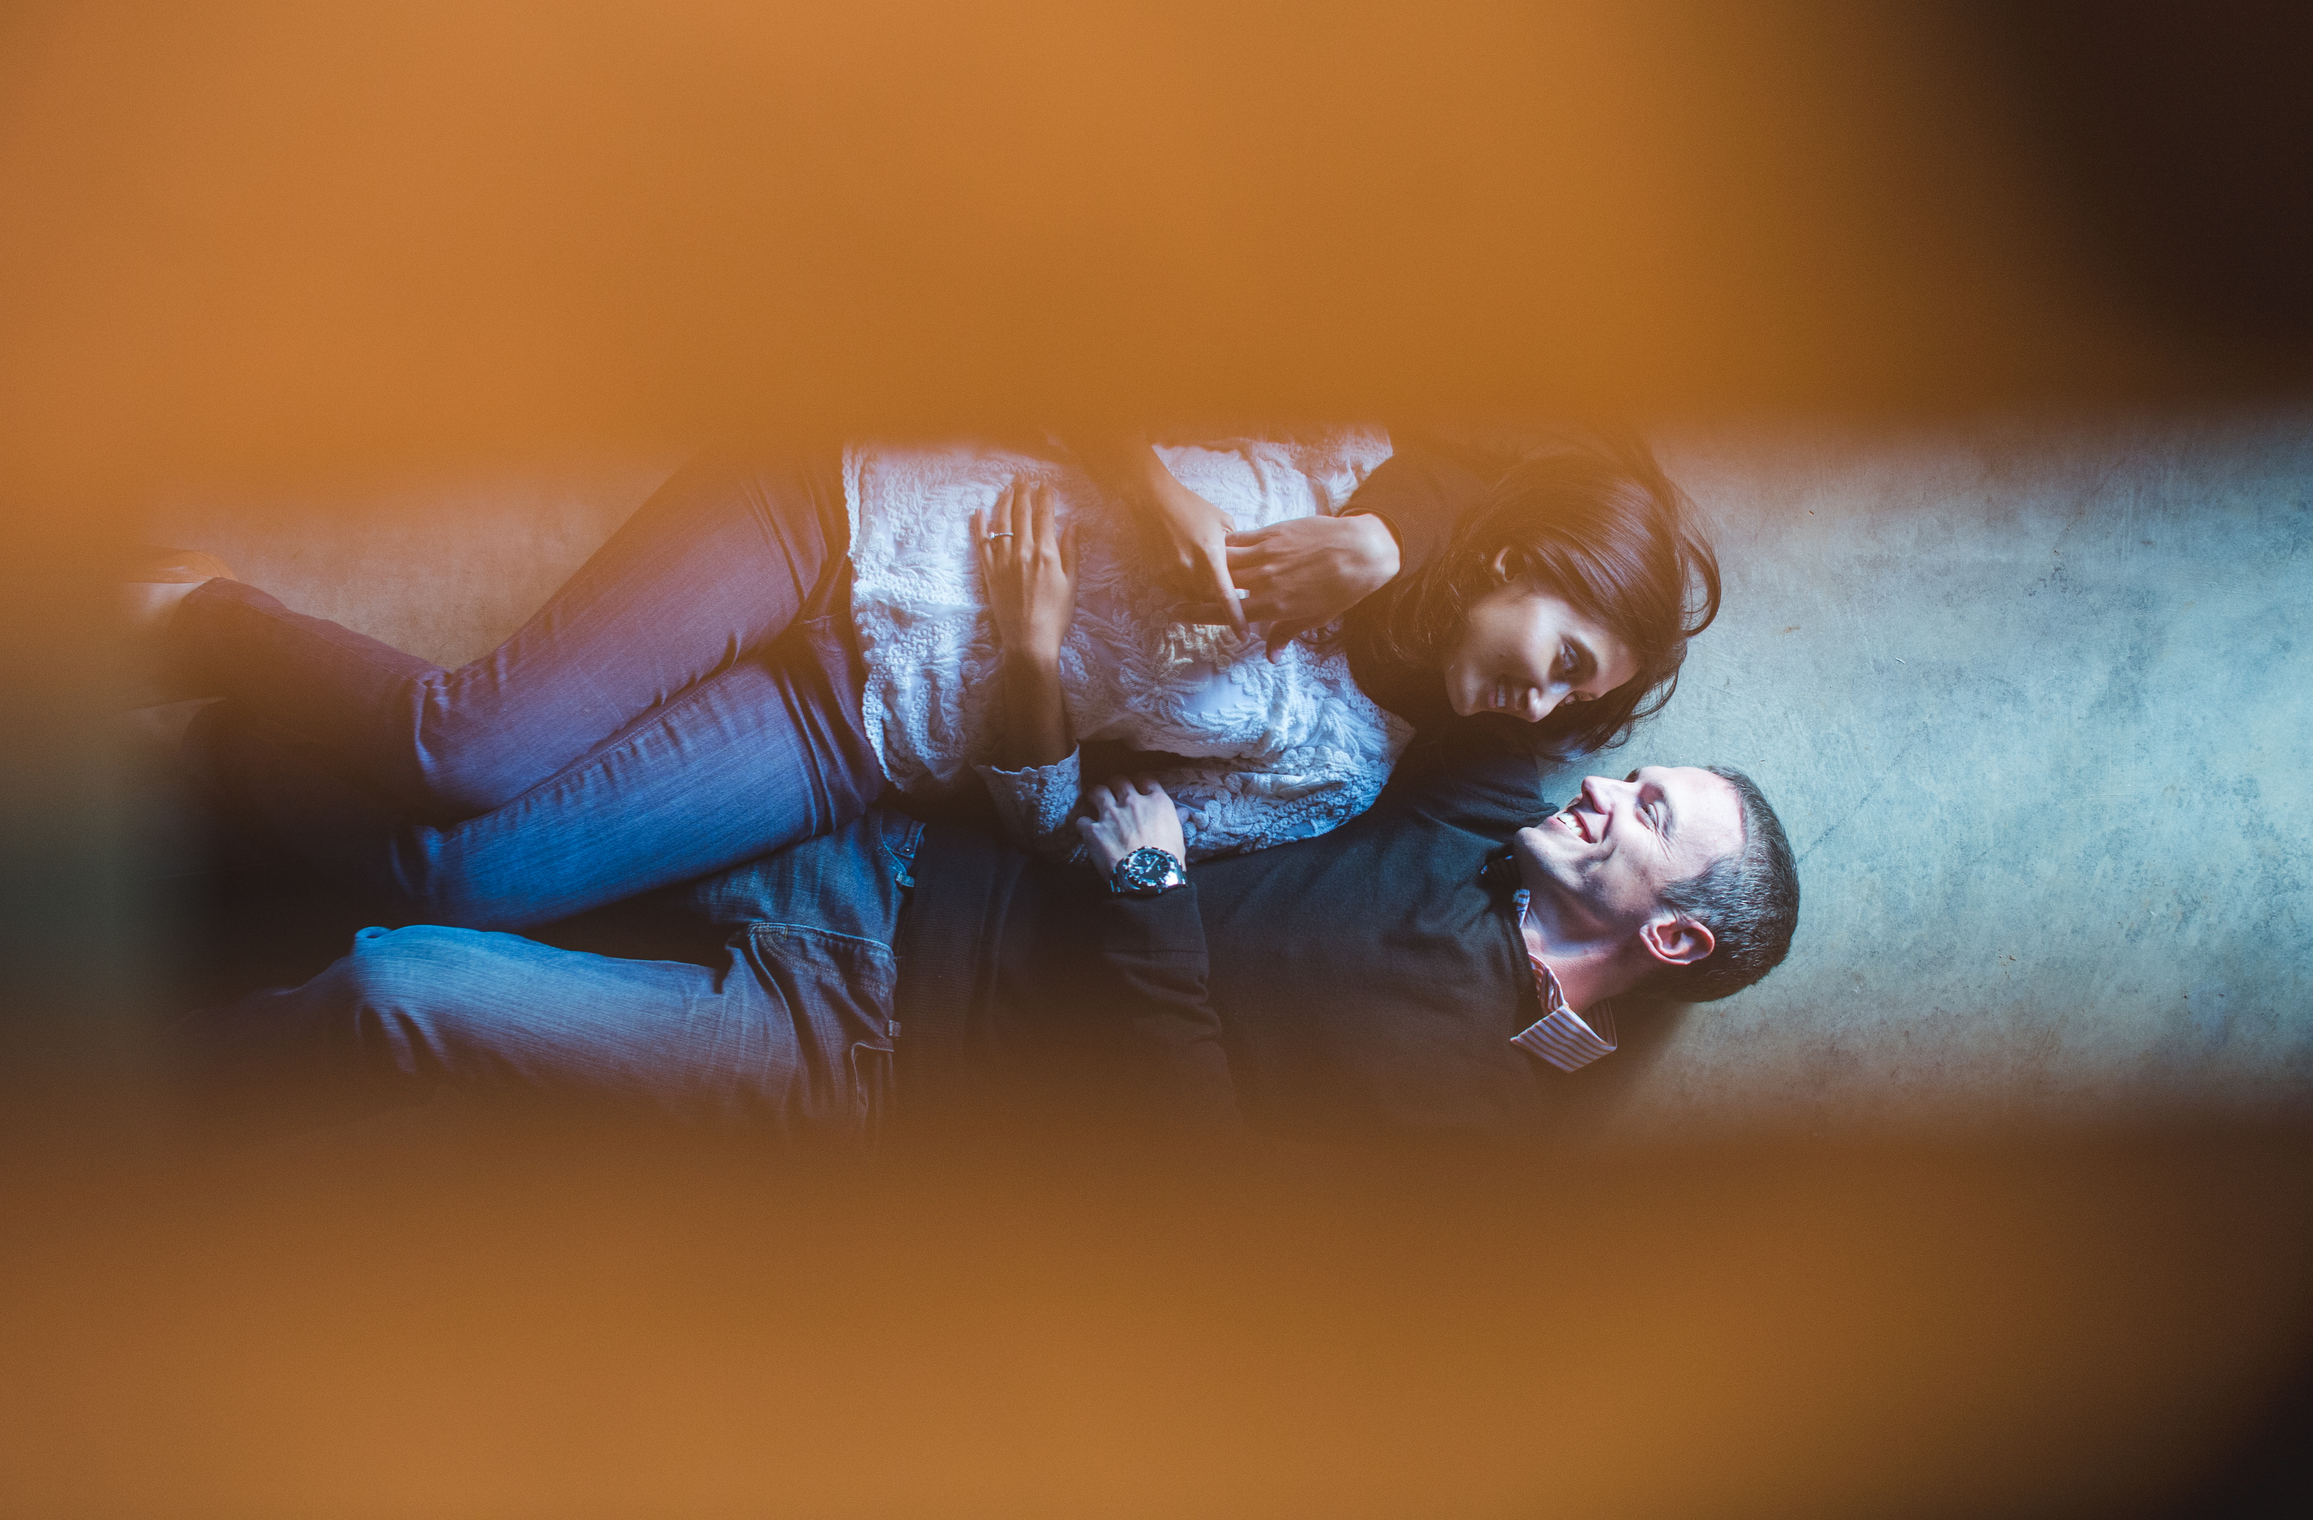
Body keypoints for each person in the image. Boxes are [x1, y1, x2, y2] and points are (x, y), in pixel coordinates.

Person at [134, 427, 1718, 930]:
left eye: (1572, 709)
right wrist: (1158, 492)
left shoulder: (1346, 766)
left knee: (468, 882)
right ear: (1527, 567)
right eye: (1560, 659)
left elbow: (1047, 815)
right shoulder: (1348, 457)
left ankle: (207, 762)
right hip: (827, 519)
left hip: (860, 725)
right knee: (464, 747)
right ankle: (197, 616)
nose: (1535, 707)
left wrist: (1031, 658)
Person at [177, 741, 1800, 1145]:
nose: (1605, 789)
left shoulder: (1483, 1095)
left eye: (1645, 811)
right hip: (895, 856)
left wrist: (1155, 894)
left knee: (407, 984)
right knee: (457, 848)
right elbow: (1510, 624)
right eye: (1633, 774)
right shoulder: (1483, 822)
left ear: (1664, 930)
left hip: (864, 1050)